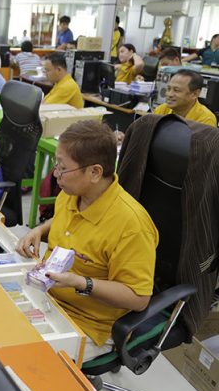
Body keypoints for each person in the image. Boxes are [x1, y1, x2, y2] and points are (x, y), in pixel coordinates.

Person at [15, 120, 157, 361]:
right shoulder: (72, 194)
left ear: (94, 172)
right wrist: (41, 229)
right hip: (48, 297)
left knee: (21, 361)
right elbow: (70, 222)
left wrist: (81, 283)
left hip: (89, 324)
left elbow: (139, 298)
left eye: (62, 168)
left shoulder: (132, 225)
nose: (56, 175)